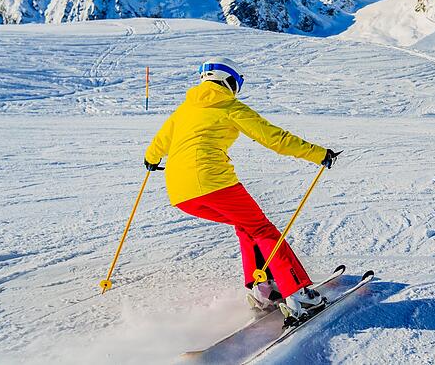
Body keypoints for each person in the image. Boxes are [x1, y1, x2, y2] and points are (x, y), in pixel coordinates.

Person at [144, 58, 340, 319]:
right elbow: (274, 138)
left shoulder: (184, 110)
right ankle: (298, 294)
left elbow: (158, 144)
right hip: (214, 183)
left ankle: (263, 290)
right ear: (229, 81)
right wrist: (318, 154)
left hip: (181, 193)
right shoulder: (229, 105)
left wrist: (151, 159)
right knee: (262, 229)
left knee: (246, 226)